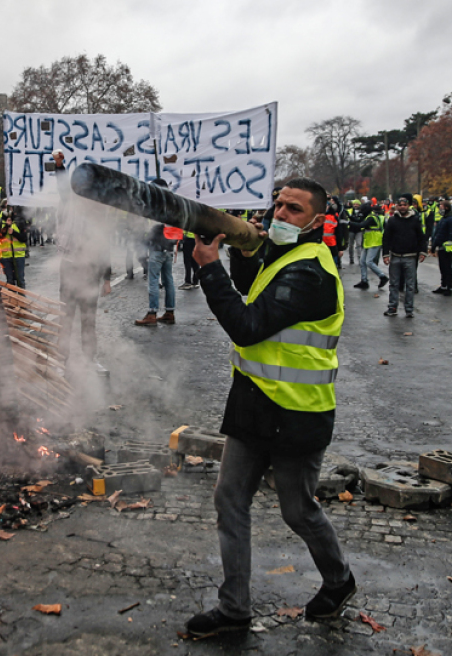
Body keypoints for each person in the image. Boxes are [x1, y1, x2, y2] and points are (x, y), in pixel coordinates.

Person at [185, 177, 354, 638]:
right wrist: (239, 253)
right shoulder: (285, 254)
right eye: (278, 205)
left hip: (297, 414)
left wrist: (208, 268)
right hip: (254, 405)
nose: (279, 215)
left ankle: (339, 580)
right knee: (229, 498)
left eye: (294, 209)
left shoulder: (311, 272)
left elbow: (248, 324)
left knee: (297, 511)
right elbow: (253, 284)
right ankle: (234, 608)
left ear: (318, 220)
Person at [52, 151, 112, 375]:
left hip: (90, 270)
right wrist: (60, 166)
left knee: (89, 319)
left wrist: (106, 278)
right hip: (69, 267)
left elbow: (104, 244)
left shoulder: (99, 210)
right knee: (65, 317)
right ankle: (61, 361)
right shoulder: (70, 201)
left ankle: (90, 360)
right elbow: (62, 187)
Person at [136, 180, 180, 326]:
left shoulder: (157, 205)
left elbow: (152, 226)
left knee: (153, 280)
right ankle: (169, 312)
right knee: (168, 281)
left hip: (157, 247)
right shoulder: (174, 203)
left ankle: (152, 313)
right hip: (169, 248)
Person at [381, 196, 426, 318]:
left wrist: (423, 251)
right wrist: (385, 254)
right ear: (396, 206)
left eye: (404, 205)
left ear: (408, 206)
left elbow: (421, 237)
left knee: (410, 285)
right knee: (394, 284)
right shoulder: (392, 221)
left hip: (410, 257)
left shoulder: (415, 220)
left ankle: (409, 309)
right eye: (400, 205)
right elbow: (386, 238)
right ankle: (392, 307)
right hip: (395, 256)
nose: (402, 207)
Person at [349, 200, 387, 290]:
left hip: (374, 241)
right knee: (362, 261)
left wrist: (348, 223)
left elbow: (361, 225)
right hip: (368, 241)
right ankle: (364, 281)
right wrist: (349, 217)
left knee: (369, 262)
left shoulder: (371, 218)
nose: (361, 213)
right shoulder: (368, 216)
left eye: (362, 211)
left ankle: (382, 276)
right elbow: (359, 221)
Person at [0, 204, 27, 288]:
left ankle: (22, 299)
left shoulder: (19, 222)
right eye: (4, 207)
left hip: (18, 256)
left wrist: (14, 233)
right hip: (6, 257)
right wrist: (6, 227)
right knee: (10, 281)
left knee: (20, 280)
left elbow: (24, 238)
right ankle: (13, 299)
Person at [431, 199, 452, 295]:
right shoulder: (444, 218)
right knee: (443, 267)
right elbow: (438, 233)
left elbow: (448, 234)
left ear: (446, 207)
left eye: (441, 206)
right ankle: (443, 285)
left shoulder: (451, 219)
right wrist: (434, 245)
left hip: (447, 247)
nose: (440, 208)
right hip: (441, 246)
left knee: (447, 267)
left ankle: (448, 287)